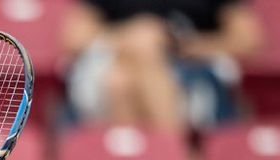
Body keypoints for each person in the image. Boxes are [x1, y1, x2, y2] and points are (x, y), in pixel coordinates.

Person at [61, 0, 263, 131]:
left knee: (120, 81)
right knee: (120, 78)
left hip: (191, 73)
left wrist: (189, 45)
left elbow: (248, 40)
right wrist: (133, 37)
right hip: (115, 66)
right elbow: (75, 38)